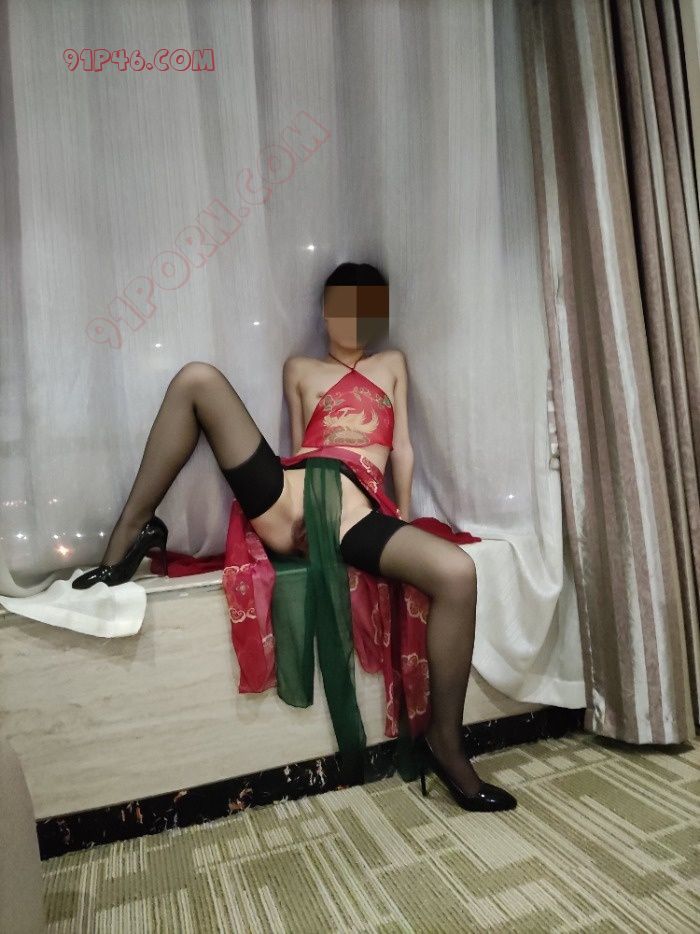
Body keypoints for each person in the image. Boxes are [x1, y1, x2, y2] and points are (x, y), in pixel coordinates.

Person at [72, 262, 517, 813]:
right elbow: (301, 444)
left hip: (355, 510)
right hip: (289, 496)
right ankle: (129, 533)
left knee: (457, 571)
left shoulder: (391, 363)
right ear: (325, 312)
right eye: (342, 306)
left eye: (365, 307)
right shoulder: (300, 368)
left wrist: (400, 513)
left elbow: (400, 447)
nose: (352, 318)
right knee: (197, 378)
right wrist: (309, 503)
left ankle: (445, 741)